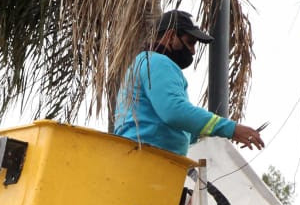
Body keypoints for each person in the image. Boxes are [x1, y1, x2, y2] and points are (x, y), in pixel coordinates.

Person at [113, 9, 264, 157]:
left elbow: (169, 123)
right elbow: (174, 111)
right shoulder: (158, 62)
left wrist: (202, 132)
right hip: (147, 161)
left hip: (142, 159)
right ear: (171, 36)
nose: (192, 51)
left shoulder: (145, 62)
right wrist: (231, 128)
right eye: (190, 42)